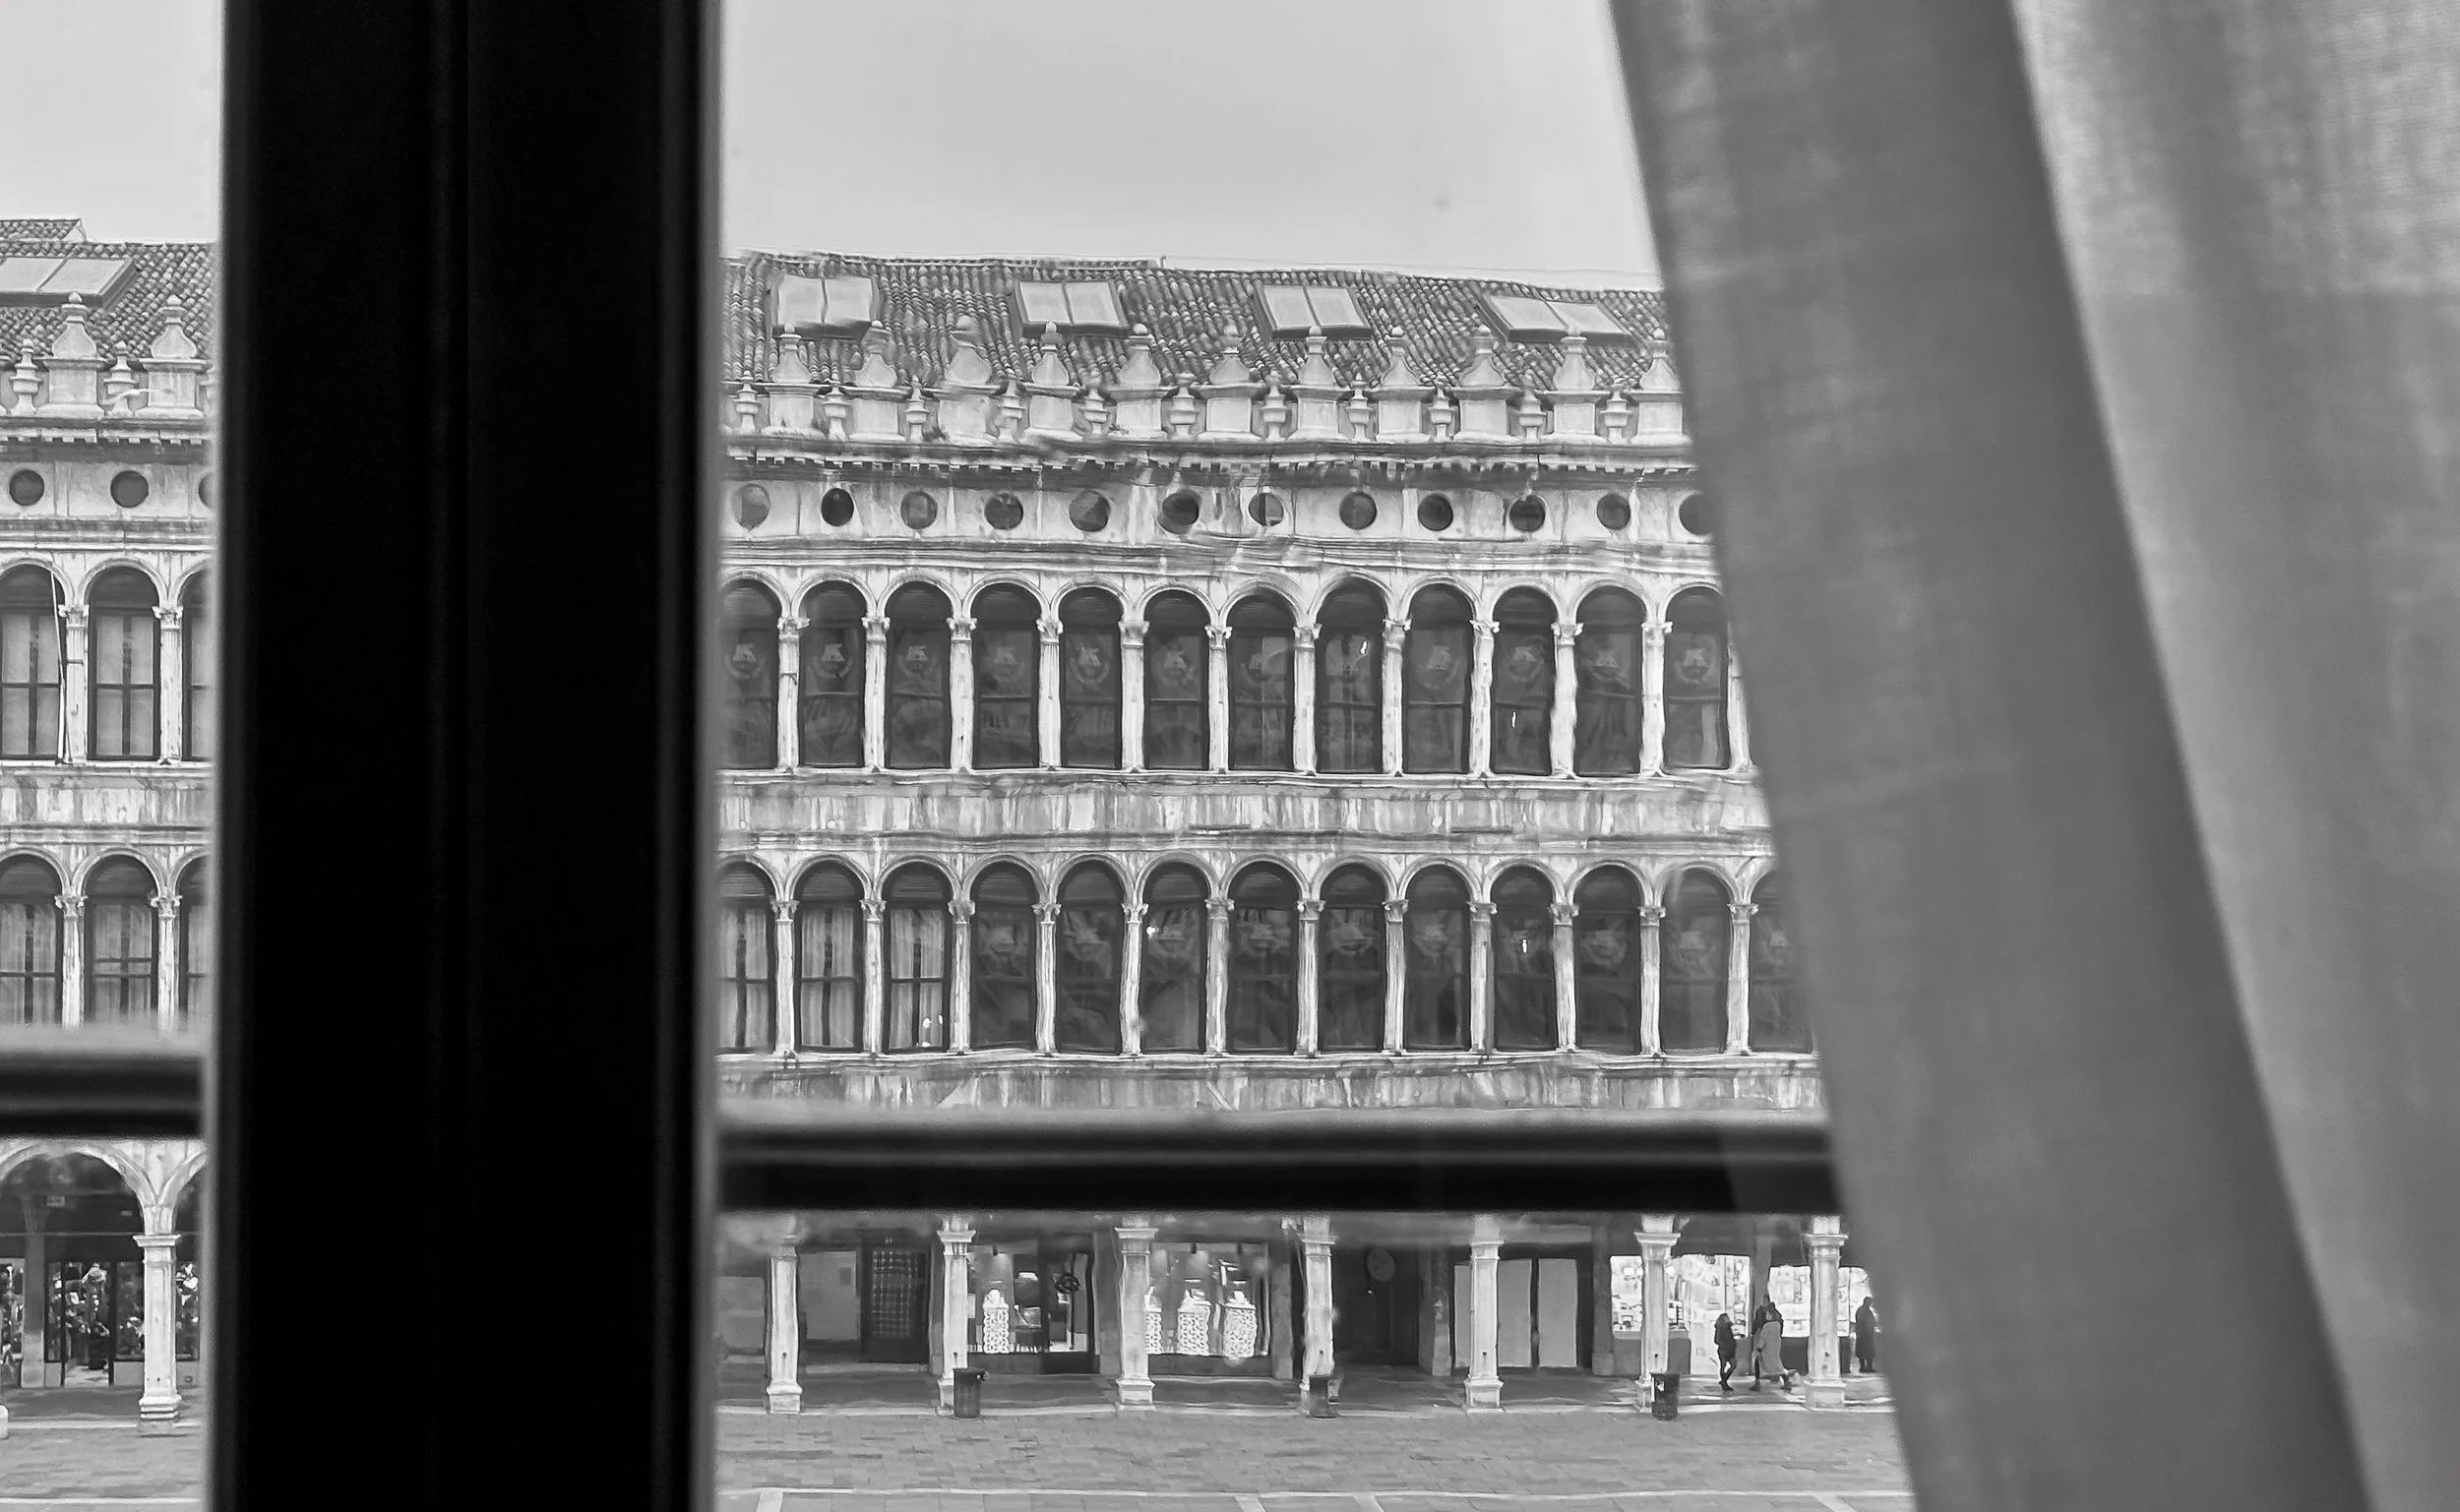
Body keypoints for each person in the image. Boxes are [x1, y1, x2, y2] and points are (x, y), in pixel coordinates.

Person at [1713, 1310, 1738, 1391]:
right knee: (1724, 1366)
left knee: (1733, 1365)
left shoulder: (1728, 1327)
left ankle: (1724, 1380)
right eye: (1726, 1318)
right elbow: (1717, 1340)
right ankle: (1724, 1382)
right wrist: (1725, 1344)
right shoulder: (1720, 1328)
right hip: (1724, 1350)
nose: (1728, 1319)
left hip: (1729, 1349)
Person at [1854, 1296, 1878, 1374]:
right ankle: (1865, 1367)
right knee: (1866, 1351)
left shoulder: (1864, 1311)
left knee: (1866, 1352)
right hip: (1865, 1335)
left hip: (1864, 1334)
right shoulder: (1863, 1311)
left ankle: (1866, 1367)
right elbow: (1868, 1322)